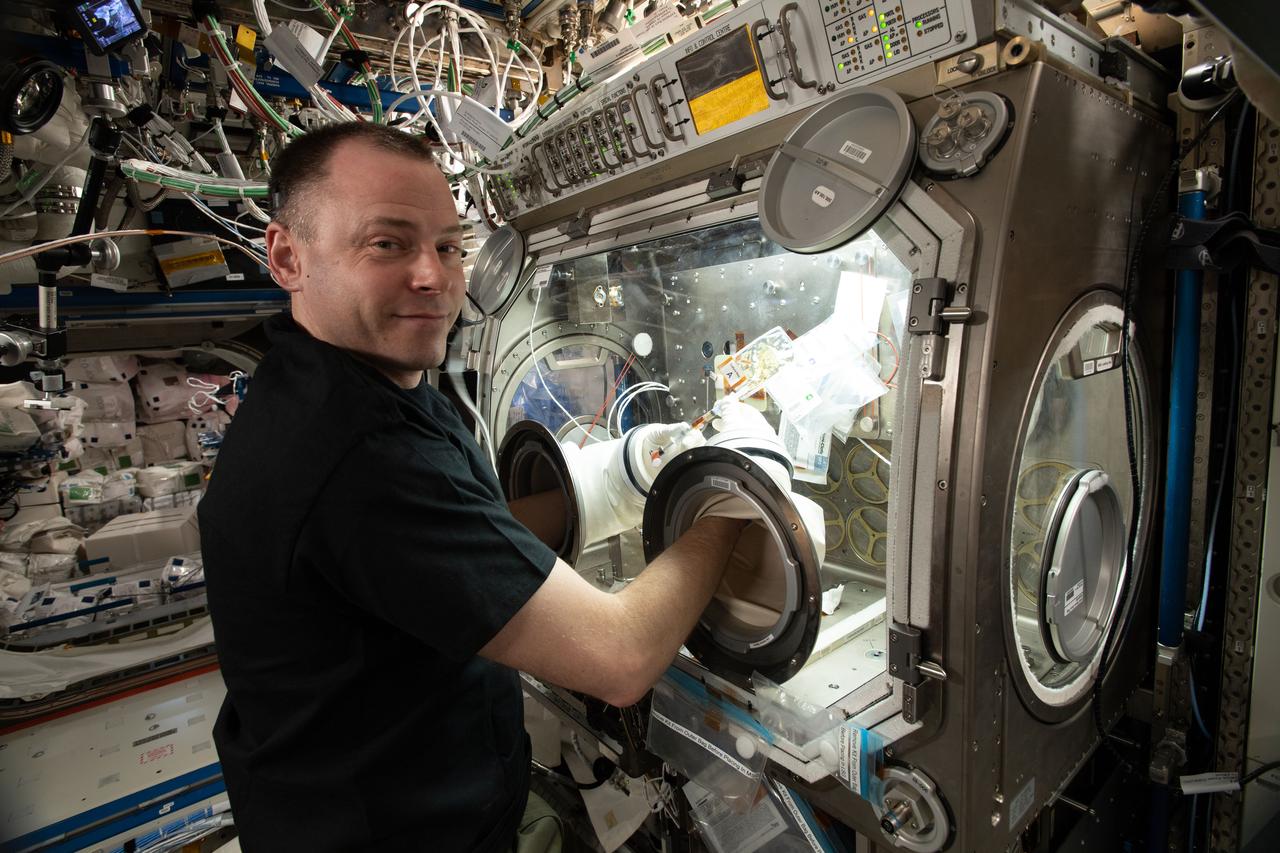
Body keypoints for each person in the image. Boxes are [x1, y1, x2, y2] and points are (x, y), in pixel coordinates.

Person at [199, 122, 746, 851]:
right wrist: (733, 495)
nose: (434, 276)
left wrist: (627, 473)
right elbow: (621, 659)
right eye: (387, 243)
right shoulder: (353, 451)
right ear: (287, 255)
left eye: (450, 246)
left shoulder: (346, 382)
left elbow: (448, 541)